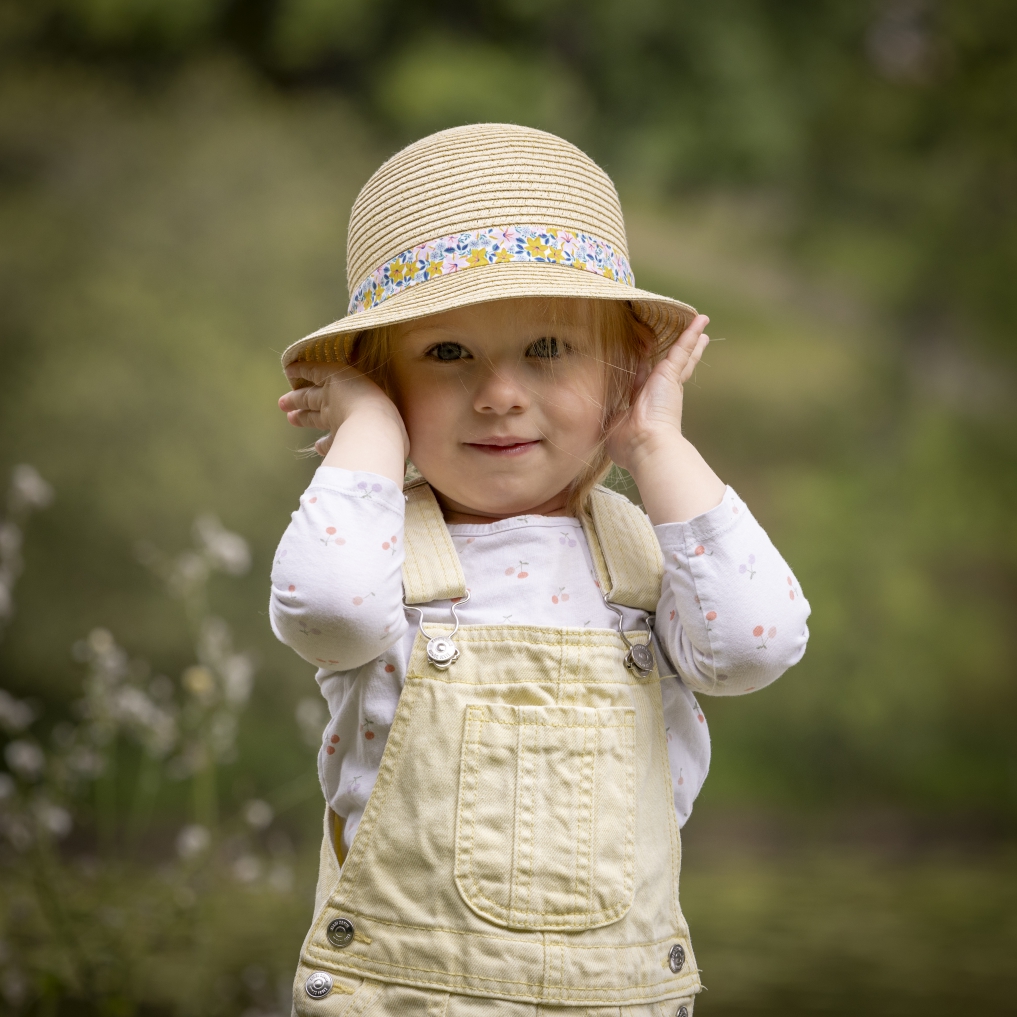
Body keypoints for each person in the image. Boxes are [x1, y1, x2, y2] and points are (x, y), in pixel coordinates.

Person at [271, 123, 810, 1017]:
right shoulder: (376, 551)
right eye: (445, 355)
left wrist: (655, 441)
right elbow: (326, 611)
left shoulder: (644, 556)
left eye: (547, 350)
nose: (498, 394)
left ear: (620, 375)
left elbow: (754, 647)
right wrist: (366, 425)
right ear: (390, 384)